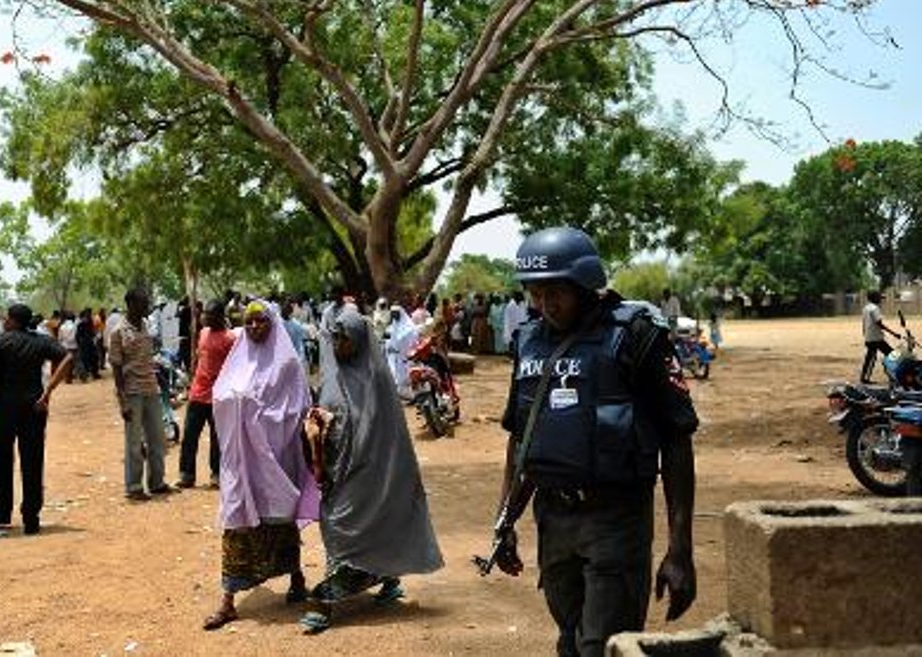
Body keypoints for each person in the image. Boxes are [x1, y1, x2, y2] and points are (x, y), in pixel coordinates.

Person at [494, 227, 699, 657]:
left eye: (556, 292)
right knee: (569, 641)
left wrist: (680, 548)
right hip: (553, 519)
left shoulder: (636, 336)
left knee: (601, 648)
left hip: (616, 519)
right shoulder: (528, 340)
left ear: (585, 284)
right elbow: (521, 439)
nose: (545, 304)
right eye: (536, 293)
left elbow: (677, 440)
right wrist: (505, 521)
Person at [299, 306, 443, 634]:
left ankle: (327, 599)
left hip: (372, 471)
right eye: (334, 338)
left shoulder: (377, 377)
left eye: (344, 339)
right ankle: (383, 574)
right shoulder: (332, 374)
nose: (338, 345)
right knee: (336, 522)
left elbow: (387, 432)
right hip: (338, 467)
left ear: (360, 340)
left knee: (351, 524)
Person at [202, 299, 319, 631]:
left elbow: (296, 410)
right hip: (240, 461)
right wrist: (237, 406)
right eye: (249, 322)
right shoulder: (236, 359)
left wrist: (255, 414)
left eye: (260, 322)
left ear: (273, 323)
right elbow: (219, 398)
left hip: (275, 458)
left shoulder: (288, 365)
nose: (253, 327)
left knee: (282, 519)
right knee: (235, 521)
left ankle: (297, 579)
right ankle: (228, 601)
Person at [0, 303, 72, 535]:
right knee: (32, 462)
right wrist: (49, 390)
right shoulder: (40, 341)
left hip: (4, 409)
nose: (4, 321)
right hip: (34, 408)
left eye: (7, 318)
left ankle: (2, 514)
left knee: (1, 461)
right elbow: (67, 358)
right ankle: (31, 518)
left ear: (12, 321)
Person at [107, 287, 174, 500]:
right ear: (131, 304)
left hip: (151, 388)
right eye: (143, 302)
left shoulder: (145, 325)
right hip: (132, 392)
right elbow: (116, 368)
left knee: (158, 439)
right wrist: (122, 401)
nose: (146, 306)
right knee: (134, 442)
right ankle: (134, 486)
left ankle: (157, 482)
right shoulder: (118, 331)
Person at [179, 300, 235, 489]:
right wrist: (191, 381)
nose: (205, 317)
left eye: (210, 315)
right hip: (198, 393)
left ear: (220, 316)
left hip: (218, 395)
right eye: (205, 314)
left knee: (217, 437)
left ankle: (216, 474)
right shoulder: (202, 333)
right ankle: (186, 474)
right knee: (189, 435)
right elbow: (198, 359)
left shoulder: (230, 339)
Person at [860, 290, 901, 383]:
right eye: (879, 297)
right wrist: (894, 334)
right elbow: (879, 324)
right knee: (892, 355)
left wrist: (865, 334)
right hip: (876, 339)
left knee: (871, 358)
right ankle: (892, 376)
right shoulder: (875, 309)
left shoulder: (866, 308)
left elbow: (864, 323)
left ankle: (864, 378)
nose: (881, 300)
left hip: (870, 337)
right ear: (874, 298)